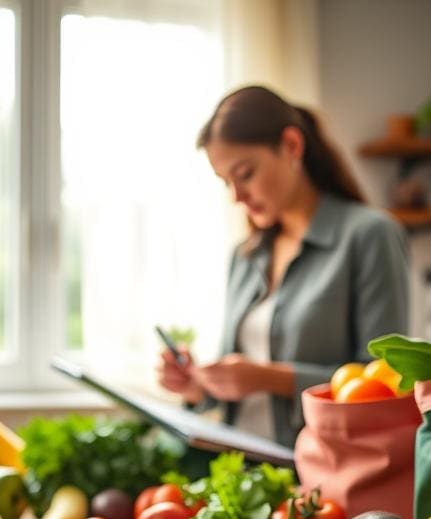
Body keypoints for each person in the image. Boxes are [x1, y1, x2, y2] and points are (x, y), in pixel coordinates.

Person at [158, 85, 410, 447]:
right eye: (226, 182)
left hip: (319, 467)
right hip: (240, 461)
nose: (236, 196)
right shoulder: (245, 256)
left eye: (245, 174)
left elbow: (385, 381)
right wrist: (198, 386)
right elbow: (241, 385)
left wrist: (268, 378)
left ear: (292, 146)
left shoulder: (370, 235)